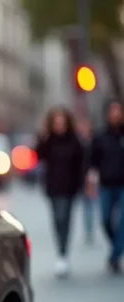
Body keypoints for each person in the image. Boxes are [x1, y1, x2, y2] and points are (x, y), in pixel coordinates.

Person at [36, 107, 86, 278]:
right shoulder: (48, 140)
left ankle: (63, 254)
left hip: (69, 187)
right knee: (57, 219)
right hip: (53, 187)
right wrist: (43, 137)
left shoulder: (74, 141)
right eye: (56, 122)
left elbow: (82, 162)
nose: (59, 125)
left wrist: (81, 183)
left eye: (62, 122)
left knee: (65, 218)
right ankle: (61, 251)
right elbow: (38, 155)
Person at [88, 99, 124, 274]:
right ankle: (118, 245)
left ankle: (114, 256)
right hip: (106, 184)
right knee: (106, 220)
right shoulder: (101, 136)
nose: (116, 115)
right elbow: (92, 160)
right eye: (113, 111)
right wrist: (90, 178)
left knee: (123, 221)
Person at [75, 117, 98, 245]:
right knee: (86, 206)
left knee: (92, 205)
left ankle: (91, 229)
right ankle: (88, 230)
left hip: (94, 177)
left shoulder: (95, 141)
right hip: (83, 179)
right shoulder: (78, 142)